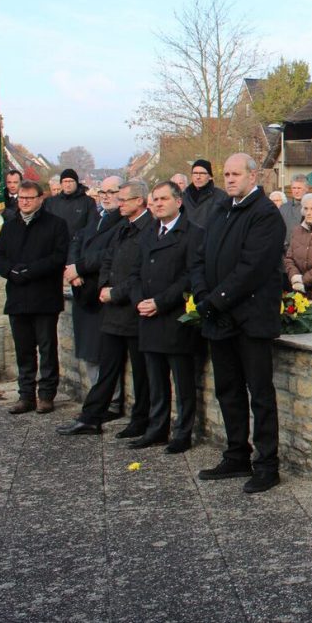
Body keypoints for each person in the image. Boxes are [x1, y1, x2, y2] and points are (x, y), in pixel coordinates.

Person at [189, 153, 286, 494]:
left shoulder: (265, 215)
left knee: (259, 393)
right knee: (227, 390)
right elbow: (199, 256)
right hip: (219, 317)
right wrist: (203, 294)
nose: (229, 179)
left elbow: (252, 268)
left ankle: (267, 464)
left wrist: (214, 300)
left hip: (251, 319)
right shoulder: (220, 210)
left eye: (235, 174)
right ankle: (236, 454)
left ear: (252, 175)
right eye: (226, 174)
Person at [57, 180, 154, 441]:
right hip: (112, 310)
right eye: (117, 198)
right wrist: (103, 286)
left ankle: (141, 420)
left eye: (124, 199)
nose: (119, 203)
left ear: (139, 201)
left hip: (132, 310)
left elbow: (140, 272)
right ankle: (91, 417)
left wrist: (116, 292)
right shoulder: (123, 227)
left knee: (142, 373)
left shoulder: (149, 229)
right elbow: (108, 258)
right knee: (107, 367)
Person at [127, 181, 203, 454]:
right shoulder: (149, 233)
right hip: (147, 316)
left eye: (163, 199)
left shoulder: (193, 234)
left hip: (174, 318)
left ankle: (183, 432)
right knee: (155, 380)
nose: (157, 204)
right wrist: (139, 302)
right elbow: (135, 272)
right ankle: (157, 428)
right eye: (154, 199)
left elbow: (190, 277)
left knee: (182, 382)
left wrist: (160, 302)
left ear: (178, 201)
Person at [0, 180, 70, 414]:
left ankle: (46, 395)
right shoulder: (9, 226)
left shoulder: (56, 225)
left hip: (44, 297)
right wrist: (11, 271)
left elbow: (58, 257)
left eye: (29, 198)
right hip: (17, 296)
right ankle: (26, 395)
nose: (24, 202)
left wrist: (31, 270)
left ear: (39, 199)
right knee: (23, 350)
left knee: (46, 349)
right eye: (21, 198)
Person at [66, 176, 126, 407]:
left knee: (104, 353)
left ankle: (110, 400)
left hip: (102, 293)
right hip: (83, 293)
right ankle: (96, 398)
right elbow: (76, 242)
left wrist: (80, 267)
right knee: (89, 353)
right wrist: (74, 269)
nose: (107, 196)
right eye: (103, 191)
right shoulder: (96, 218)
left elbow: (110, 253)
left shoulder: (123, 222)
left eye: (112, 191)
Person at [47, 168, 97, 262]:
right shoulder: (51, 202)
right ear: (61, 183)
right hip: (54, 250)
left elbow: (91, 226)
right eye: (65, 181)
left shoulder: (88, 202)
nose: (68, 184)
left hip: (78, 250)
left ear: (76, 182)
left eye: (71, 181)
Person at [183, 159, 228, 223]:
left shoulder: (222, 197)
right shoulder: (182, 197)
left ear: (210, 177)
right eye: (195, 173)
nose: (198, 177)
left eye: (202, 173)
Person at [279, 174, 307, 244]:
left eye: (299, 188)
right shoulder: (283, 208)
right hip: (286, 250)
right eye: (294, 188)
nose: (296, 191)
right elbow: (278, 229)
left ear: (306, 189)